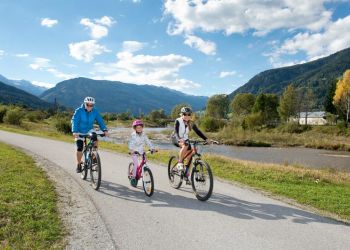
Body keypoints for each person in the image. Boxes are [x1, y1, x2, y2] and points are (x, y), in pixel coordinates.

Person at [71, 96, 108, 173]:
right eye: (88, 104)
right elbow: (74, 121)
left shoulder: (95, 111)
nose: (89, 107)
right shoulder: (79, 111)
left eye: (91, 105)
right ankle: (78, 164)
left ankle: (94, 156)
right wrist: (74, 131)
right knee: (79, 148)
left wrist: (104, 129)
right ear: (85, 104)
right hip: (79, 131)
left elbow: (100, 120)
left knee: (95, 139)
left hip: (89, 130)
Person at [172, 107, 210, 180]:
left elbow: (198, 132)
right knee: (185, 145)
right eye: (184, 114)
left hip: (185, 140)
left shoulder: (191, 123)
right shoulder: (178, 121)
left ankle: (186, 172)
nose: (186, 116)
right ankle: (180, 163)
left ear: (190, 115)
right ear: (181, 114)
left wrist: (206, 139)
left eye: (188, 114)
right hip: (175, 138)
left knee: (191, 153)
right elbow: (176, 132)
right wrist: (180, 139)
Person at [128, 119, 155, 187]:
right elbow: (131, 143)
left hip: (141, 151)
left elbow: (148, 141)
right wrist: (132, 150)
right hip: (134, 151)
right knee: (136, 163)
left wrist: (152, 148)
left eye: (140, 127)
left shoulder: (144, 134)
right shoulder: (133, 135)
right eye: (137, 127)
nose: (139, 129)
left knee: (144, 162)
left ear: (142, 127)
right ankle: (133, 177)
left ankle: (143, 172)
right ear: (135, 128)